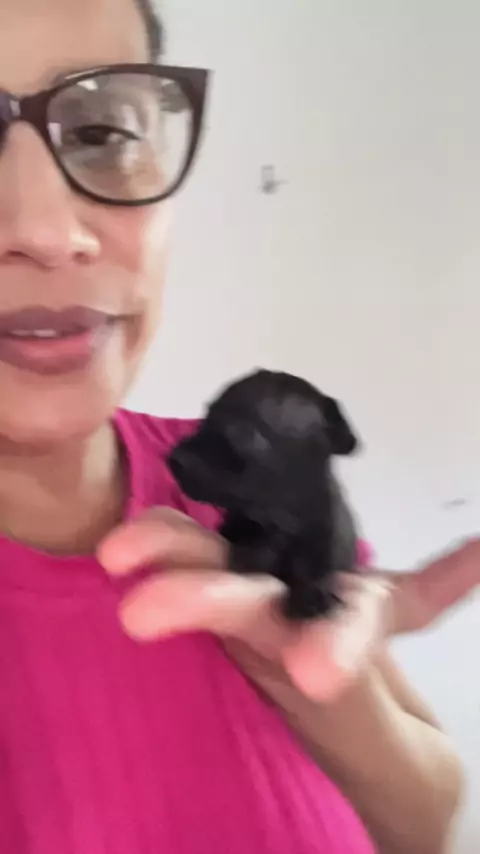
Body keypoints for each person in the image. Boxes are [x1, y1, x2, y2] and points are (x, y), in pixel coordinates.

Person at [0, 1, 477, 853]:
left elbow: (428, 821)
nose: (51, 233)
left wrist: (322, 700)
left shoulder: (252, 481)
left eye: (103, 133)